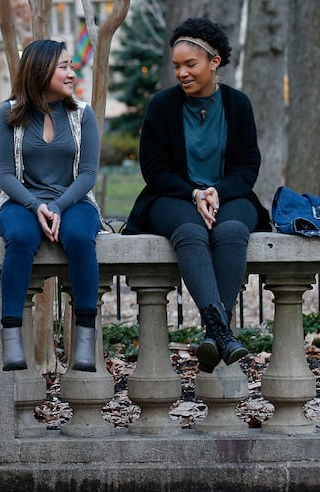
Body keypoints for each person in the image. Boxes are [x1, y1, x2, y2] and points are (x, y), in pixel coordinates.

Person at [125, 18, 271, 373]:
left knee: (232, 231)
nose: (182, 73)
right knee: (190, 232)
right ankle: (223, 331)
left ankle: (212, 332)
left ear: (214, 62)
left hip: (230, 195)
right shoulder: (162, 106)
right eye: (177, 66)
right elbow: (155, 169)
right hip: (171, 196)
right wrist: (193, 193)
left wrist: (216, 192)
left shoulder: (238, 104)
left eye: (190, 64)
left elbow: (248, 165)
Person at [0, 39, 103, 372]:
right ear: (41, 72)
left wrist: (57, 205)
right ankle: (11, 333)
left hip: (74, 200)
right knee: (22, 238)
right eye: (64, 67)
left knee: (81, 238)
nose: (72, 73)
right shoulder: (8, 113)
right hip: (19, 200)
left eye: (71, 66)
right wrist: (35, 205)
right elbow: (5, 175)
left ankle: (84, 334)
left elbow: (87, 174)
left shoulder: (82, 114)